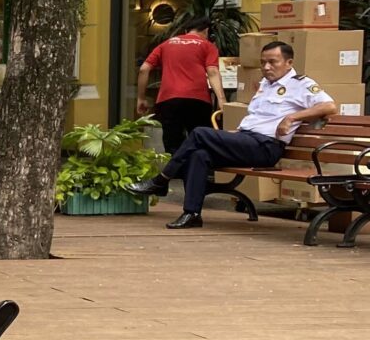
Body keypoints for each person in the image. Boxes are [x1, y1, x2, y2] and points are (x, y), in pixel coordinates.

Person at [127, 40, 338, 228]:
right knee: (199, 155)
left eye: (272, 62)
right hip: (247, 140)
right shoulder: (266, 84)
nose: (266, 67)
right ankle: (192, 214)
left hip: (266, 147)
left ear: (289, 63)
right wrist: (236, 133)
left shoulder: (301, 84)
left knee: (200, 133)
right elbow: (258, 118)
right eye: (263, 62)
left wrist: (291, 118)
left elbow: (329, 106)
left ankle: (161, 180)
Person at [138, 17, 223, 152]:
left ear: (186, 31)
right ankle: (195, 165)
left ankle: (177, 165)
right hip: (197, 100)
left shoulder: (166, 44)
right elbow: (212, 72)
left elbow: (144, 69)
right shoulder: (208, 46)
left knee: (172, 144)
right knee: (201, 143)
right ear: (206, 31)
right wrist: (221, 100)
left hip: (168, 100)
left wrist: (141, 98)